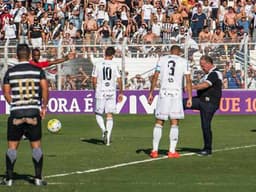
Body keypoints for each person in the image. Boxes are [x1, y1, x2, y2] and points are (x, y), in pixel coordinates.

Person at [1, 44, 48, 186]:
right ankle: (38, 178)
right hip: (33, 112)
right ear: (29, 56)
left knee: (12, 147)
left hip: (16, 113)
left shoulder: (10, 72)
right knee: (36, 147)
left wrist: (14, 104)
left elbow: (6, 93)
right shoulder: (38, 70)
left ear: (16, 56)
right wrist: (44, 106)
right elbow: (45, 89)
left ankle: (9, 179)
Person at [147, 45, 192, 158]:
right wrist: (190, 97)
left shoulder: (162, 60)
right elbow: (188, 80)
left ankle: (154, 150)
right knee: (174, 121)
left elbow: (155, 76)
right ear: (179, 53)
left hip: (164, 92)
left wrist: (151, 93)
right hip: (176, 94)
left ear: (170, 52)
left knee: (159, 121)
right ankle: (171, 151)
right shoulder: (183, 61)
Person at [183, 55, 223, 156]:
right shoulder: (208, 74)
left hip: (209, 103)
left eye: (203, 66)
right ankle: (173, 121)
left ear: (209, 64)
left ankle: (207, 149)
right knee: (182, 103)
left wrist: (191, 87)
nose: (202, 68)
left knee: (205, 126)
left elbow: (205, 85)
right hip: (202, 101)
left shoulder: (215, 73)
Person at [91, 47, 123, 146]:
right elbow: (119, 79)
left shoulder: (98, 63)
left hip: (101, 91)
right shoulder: (114, 64)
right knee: (109, 114)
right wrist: (121, 92)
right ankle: (108, 138)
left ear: (104, 53)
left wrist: (94, 89)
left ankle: (104, 130)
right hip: (111, 92)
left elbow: (94, 79)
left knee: (98, 113)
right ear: (113, 55)